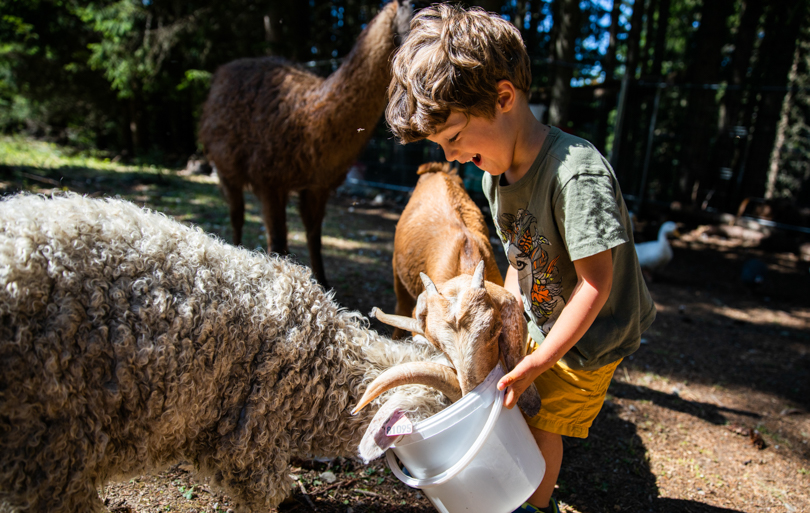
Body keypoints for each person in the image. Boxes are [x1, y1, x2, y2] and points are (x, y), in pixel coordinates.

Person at [385, 4, 656, 512]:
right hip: (542, 319)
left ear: (503, 97)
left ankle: (534, 506)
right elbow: (519, 256)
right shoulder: (494, 177)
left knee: (542, 419)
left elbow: (596, 282)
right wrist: (508, 318)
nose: (449, 157)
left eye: (454, 138)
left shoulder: (575, 175)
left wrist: (539, 360)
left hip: (591, 339)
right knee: (512, 404)